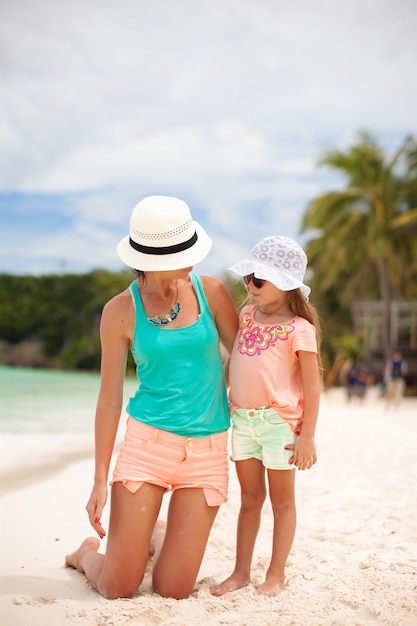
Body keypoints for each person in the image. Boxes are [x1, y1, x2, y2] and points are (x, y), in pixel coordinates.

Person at [65, 195, 238, 600]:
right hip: (147, 448)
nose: (194, 259)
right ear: (153, 258)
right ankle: (83, 555)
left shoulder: (211, 292)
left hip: (207, 450)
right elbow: (109, 399)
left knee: (173, 590)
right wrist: (99, 480)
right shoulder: (120, 311)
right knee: (117, 588)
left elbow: (246, 359)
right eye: (183, 252)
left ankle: (154, 534)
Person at [210, 235, 321, 597]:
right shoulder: (246, 315)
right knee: (250, 500)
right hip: (242, 422)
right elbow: (237, 362)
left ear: (287, 285)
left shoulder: (300, 331)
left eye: (259, 280)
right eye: (248, 278)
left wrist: (307, 436)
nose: (250, 286)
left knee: (282, 501)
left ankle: (276, 574)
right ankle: (241, 572)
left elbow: (313, 386)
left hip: (279, 425)